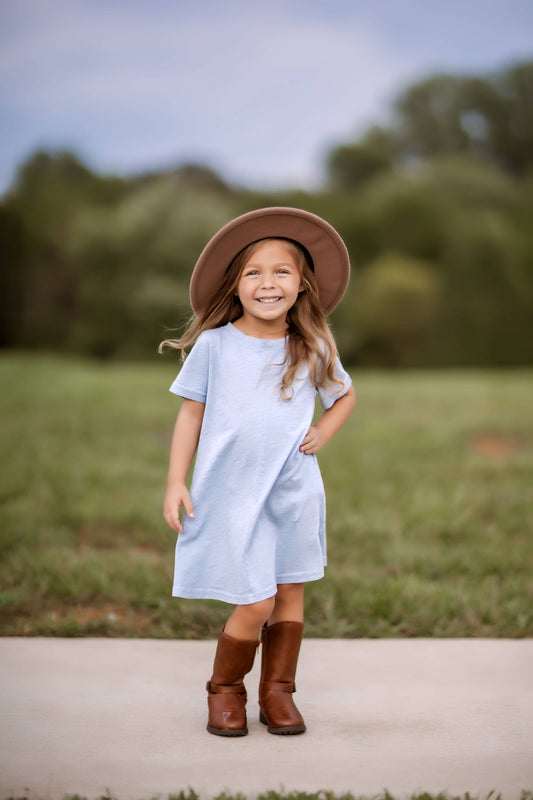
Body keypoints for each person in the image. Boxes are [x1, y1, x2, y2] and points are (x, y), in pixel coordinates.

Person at [160, 207, 356, 737]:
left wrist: (324, 432)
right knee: (256, 599)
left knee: (290, 591)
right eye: (254, 272)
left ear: (302, 286)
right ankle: (225, 689)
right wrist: (177, 481)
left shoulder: (310, 345)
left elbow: (343, 396)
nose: (268, 282)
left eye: (281, 272)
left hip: (293, 490)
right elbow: (191, 413)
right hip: (232, 491)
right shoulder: (216, 345)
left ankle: (278, 695)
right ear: (236, 285)